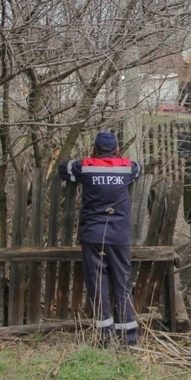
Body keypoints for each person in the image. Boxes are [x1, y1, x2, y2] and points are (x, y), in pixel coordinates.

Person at [58, 131, 141, 347]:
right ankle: (130, 338)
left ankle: (106, 337)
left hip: (93, 236)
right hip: (119, 237)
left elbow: (63, 168)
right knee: (123, 283)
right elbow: (139, 169)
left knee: (98, 284)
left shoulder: (86, 167)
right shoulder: (126, 167)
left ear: (93, 150)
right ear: (116, 150)